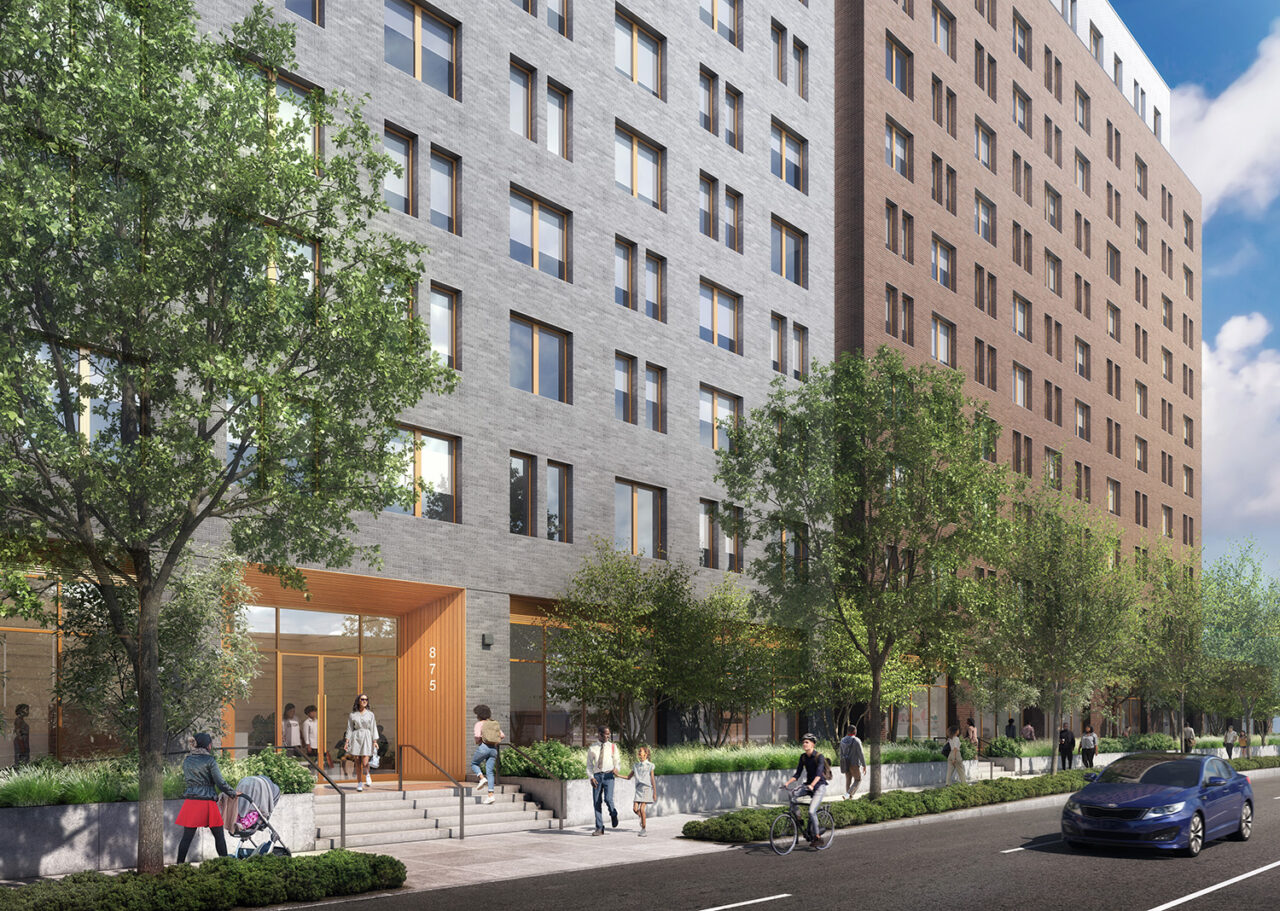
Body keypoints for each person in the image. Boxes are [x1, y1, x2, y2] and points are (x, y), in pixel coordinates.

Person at [175, 732, 240, 864]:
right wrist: (232, 793)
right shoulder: (210, 760)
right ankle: (226, 865)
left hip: (191, 802)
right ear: (208, 745)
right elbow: (220, 782)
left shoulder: (187, 760)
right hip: (207, 803)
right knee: (219, 836)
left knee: (186, 838)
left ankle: (178, 867)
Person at [783, 733, 830, 846]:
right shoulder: (803, 757)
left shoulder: (819, 756)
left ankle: (818, 837)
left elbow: (819, 774)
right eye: (803, 742)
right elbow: (798, 773)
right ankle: (799, 818)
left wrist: (813, 785)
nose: (804, 744)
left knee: (811, 811)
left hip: (819, 787)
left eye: (807, 742)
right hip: (808, 786)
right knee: (792, 795)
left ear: (812, 744)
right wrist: (787, 783)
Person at [587, 725, 620, 835]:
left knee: (608, 799)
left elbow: (617, 761)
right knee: (596, 802)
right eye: (606, 734)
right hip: (597, 777)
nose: (608, 736)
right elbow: (589, 765)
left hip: (609, 775)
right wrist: (591, 777)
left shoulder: (612, 747)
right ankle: (599, 828)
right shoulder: (592, 748)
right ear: (600, 734)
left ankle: (613, 814)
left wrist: (616, 769)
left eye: (609, 734)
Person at [470, 704, 503, 805]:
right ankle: (490, 795)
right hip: (493, 749)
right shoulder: (492, 724)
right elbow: (502, 735)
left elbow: (477, 735)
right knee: (490, 772)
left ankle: (481, 778)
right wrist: (495, 741)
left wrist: (478, 741)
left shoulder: (479, 724)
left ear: (479, 715)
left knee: (474, 764)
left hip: (483, 747)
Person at [344, 694, 377, 792]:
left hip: (367, 736)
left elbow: (373, 727)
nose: (364, 701)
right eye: (362, 699)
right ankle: (359, 783)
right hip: (356, 737)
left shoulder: (371, 714)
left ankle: (367, 774)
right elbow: (349, 729)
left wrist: (375, 741)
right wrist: (347, 742)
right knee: (357, 761)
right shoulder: (352, 715)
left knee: (365, 760)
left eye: (366, 699)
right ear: (358, 701)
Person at [624, 744, 656, 836]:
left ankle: (643, 829)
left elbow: (652, 779)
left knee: (642, 809)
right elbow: (628, 777)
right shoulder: (636, 765)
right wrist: (617, 775)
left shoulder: (650, 765)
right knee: (635, 809)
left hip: (646, 788)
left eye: (640, 751)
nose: (638, 753)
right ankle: (642, 818)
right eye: (638, 752)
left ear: (645, 754)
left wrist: (654, 792)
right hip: (638, 789)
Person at [838, 724, 866, 799]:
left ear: (848, 732)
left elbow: (840, 753)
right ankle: (847, 795)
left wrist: (842, 763)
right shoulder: (856, 740)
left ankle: (848, 798)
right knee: (858, 779)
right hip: (854, 764)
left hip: (845, 764)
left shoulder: (842, 740)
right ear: (854, 731)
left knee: (848, 780)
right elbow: (861, 754)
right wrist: (864, 765)